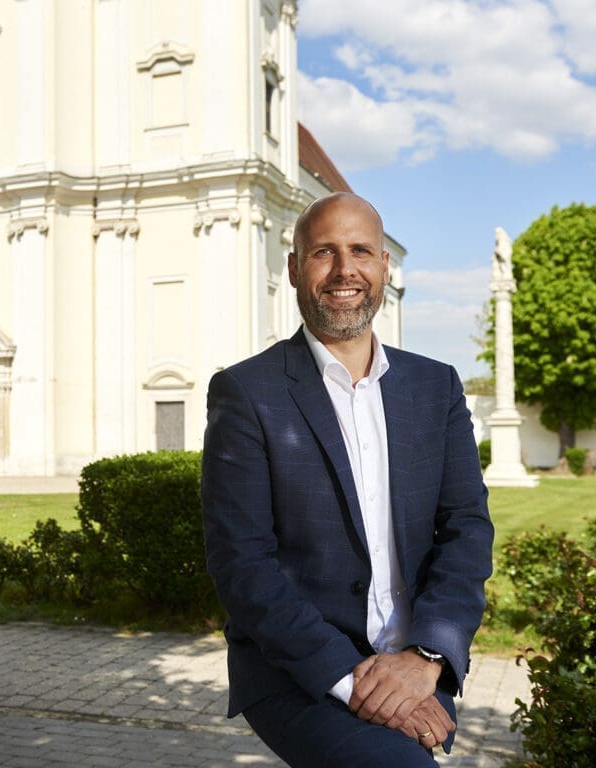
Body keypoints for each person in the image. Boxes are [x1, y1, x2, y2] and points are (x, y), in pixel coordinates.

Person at [201, 192, 494, 768]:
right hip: (300, 672)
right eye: (323, 253)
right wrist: (351, 681)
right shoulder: (247, 393)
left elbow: (466, 528)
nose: (344, 271)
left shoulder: (436, 388)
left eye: (361, 251)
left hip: (416, 666)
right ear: (293, 268)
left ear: (384, 266)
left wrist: (428, 656)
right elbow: (242, 564)